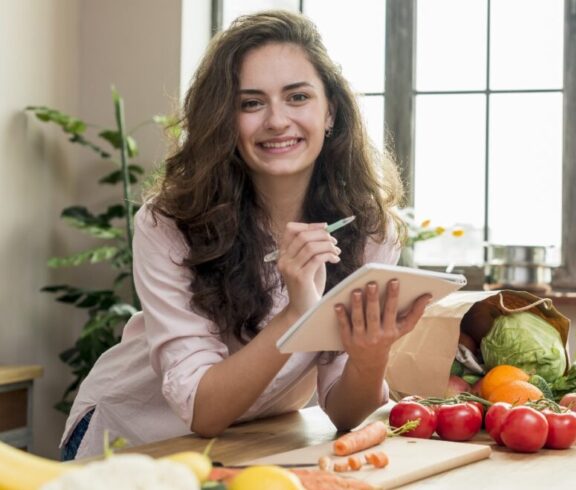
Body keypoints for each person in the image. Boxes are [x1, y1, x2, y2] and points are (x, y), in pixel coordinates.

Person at [60, 10, 431, 460]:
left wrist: (371, 356)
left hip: (246, 447)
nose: (276, 120)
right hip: (133, 442)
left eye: (297, 97)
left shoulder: (370, 229)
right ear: (225, 121)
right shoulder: (169, 222)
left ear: (330, 110)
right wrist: (297, 313)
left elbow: (347, 414)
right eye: (251, 103)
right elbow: (202, 411)